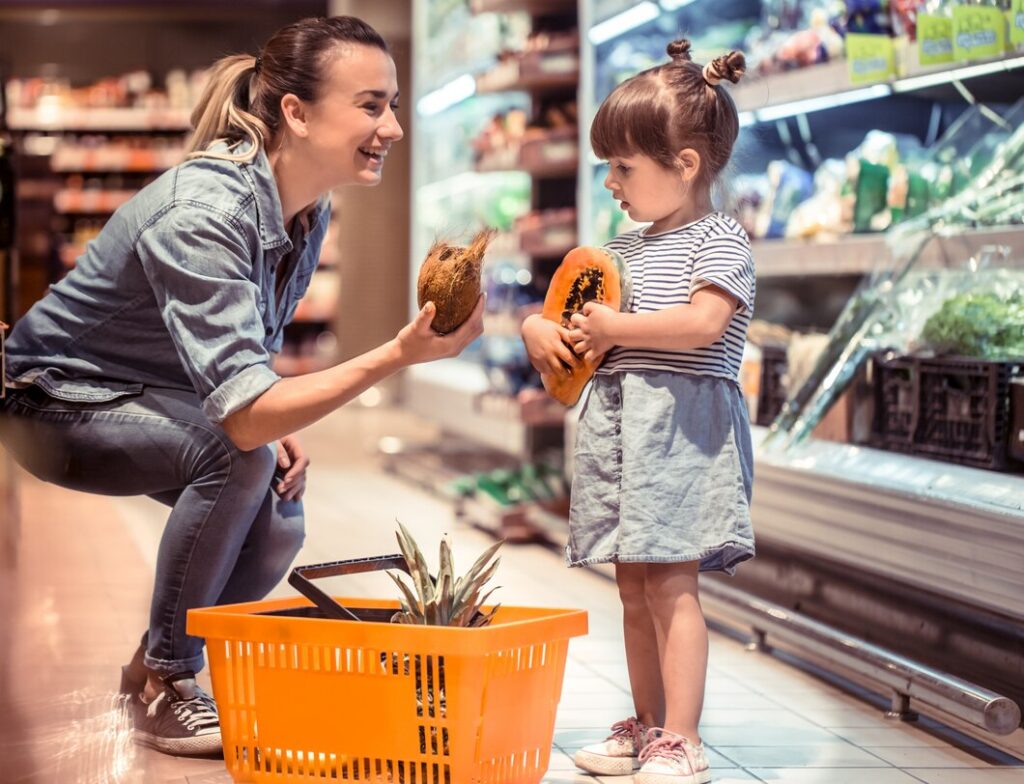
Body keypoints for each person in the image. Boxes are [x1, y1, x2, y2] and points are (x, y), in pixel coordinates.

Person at [0, 15, 483, 757]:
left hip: (143, 398)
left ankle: (153, 665)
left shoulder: (304, 212)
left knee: (278, 510)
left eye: (391, 104)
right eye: (370, 104)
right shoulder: (205, 211)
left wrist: (266, 411)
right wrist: (394, 355)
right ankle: (170, 678)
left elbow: (243, 365)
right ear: (295, 111)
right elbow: (242, 420)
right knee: (239, 458)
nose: (392, 126)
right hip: (49, 399)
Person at [522, 40, 755, 784]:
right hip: (621, 429)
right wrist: (540, 329)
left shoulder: (719, 238)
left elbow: (703, 324)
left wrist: (616, 329)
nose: (611, 182)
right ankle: (647, 723)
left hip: (684, 431)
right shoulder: (620, 249)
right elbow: (574, 319)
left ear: (684, 165)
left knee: (671, 583)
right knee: (630, 584)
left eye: (624, 166)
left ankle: (681, 738)